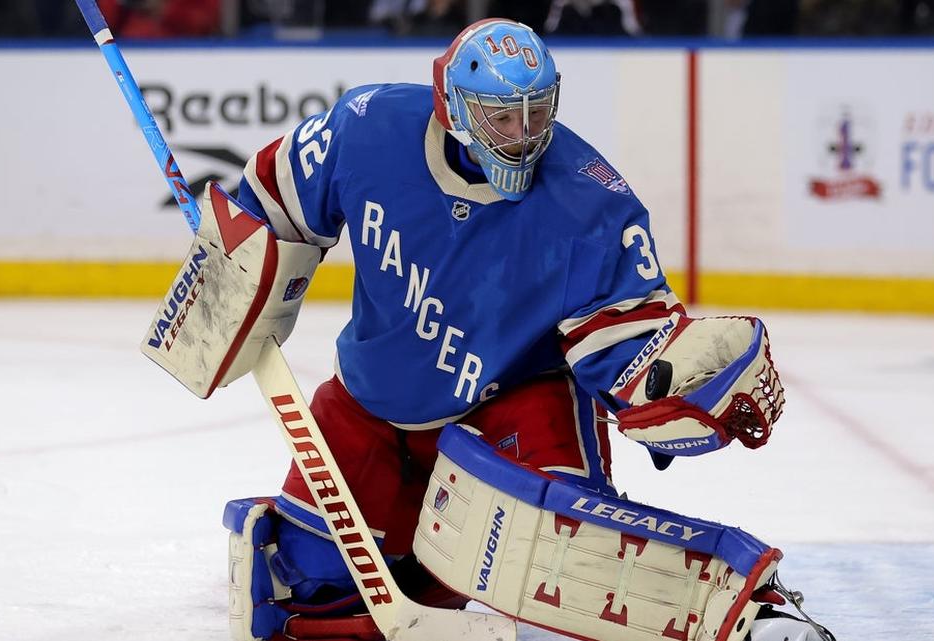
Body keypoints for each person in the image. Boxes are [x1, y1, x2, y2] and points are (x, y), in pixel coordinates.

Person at [200, 18, 827, 641]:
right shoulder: (369, 128)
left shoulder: (591, 202)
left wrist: (663, 389)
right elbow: (273, 198)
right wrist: (234, 257)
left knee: (571, 556)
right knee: (313, 589)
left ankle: (752, 616)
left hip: (512, 404)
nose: (524, 135)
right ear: (455, 108)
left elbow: (628, 340)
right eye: (503, 117)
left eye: (536, 113)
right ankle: (402, 559)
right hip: (373, 401)